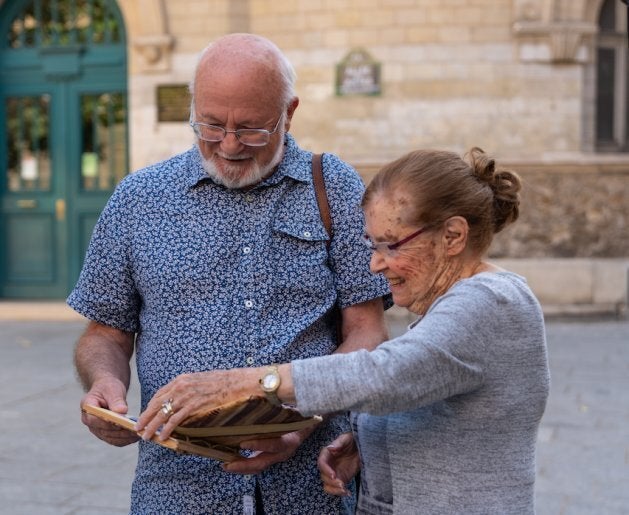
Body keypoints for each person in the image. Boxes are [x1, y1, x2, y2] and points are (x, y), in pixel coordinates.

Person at [69, 33, 390, 514]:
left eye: (252, 129)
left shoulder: (333, 188)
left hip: (309, 488)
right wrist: (105, 384)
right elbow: (105, 333)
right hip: (176, 489)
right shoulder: (138, 199)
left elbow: (368, 333)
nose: (230, 145)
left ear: (289, 113)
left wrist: (302, 424)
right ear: (192, 108)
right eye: (211, 125)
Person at [136, 147, 551, 514]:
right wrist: (372, 444)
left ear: (453, 236)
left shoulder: (490, 303)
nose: (376, 264)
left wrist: (247, 383)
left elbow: (386, 375)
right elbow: (436, 399)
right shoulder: (457, 304)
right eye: (373, 246)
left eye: (392, 244)